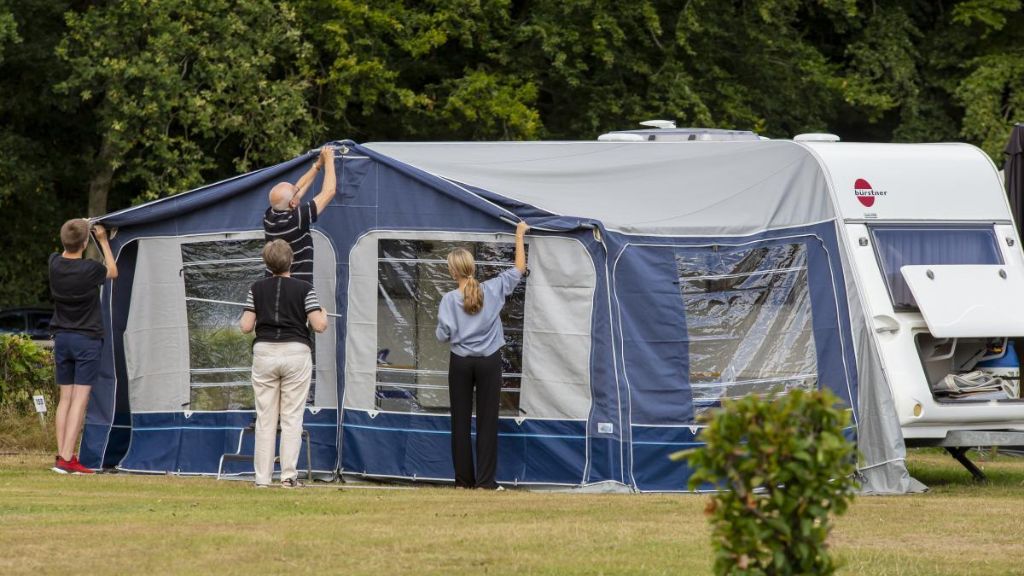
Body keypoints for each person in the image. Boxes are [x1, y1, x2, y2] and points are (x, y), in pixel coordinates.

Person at [436, 221, 529, 490]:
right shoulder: (493, 289)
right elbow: (519, 269)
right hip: (489, 362)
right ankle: (487, 482)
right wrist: (519, 235)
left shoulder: (448, 300)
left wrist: (456, 331)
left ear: (453, 271)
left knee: (460, 423)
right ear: (473, 267)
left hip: (461, 364)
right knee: (488, 422)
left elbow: (442, 336)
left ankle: (463, 482)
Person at [240, 240, 327, 488]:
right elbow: (319, 325)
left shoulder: (256, 288)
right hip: (296, 353)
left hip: (265, 353)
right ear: (291, 260)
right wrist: (324, 313)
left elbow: (246, 326)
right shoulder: (304, 288)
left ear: (267, 263)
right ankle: (288, 477)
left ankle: (262, 480)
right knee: (291, 417)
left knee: (265, 419)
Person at [49, 219, 118, 474]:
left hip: (62, 338)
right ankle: (68, 459)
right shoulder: (89, 269)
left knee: (65, 398)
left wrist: (80, 226)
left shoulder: (54, 263)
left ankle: (62, 455)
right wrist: (103, 241)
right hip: (86, 339)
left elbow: (71, 238)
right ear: (85, 242)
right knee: (80, 398)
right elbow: (112, 270)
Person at [263, 146, 337, 284]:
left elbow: (298, 189)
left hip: (271, 285)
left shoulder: (269, 216)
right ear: (292, 203)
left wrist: (317, 165)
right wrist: (329, 160)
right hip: (295, 289)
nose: (297, 189)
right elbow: (329, 191)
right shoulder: (296, 219)